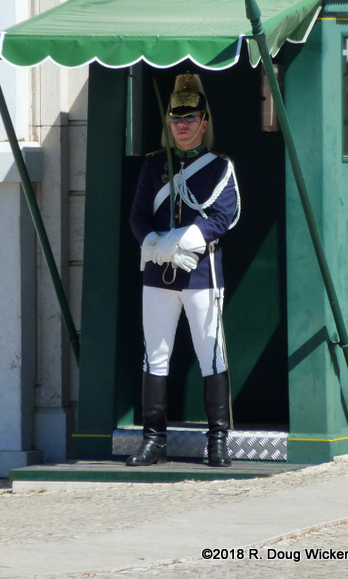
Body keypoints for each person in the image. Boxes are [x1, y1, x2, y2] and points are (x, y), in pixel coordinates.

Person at [127, 73, 240, 468]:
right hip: (159, 274)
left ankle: (217, 441)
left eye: (190, 118)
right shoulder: (154, 164)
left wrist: (183, 240)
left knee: (211, 354)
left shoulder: (219, 166)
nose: (182, 125)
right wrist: (158, 246)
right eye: (176, 118)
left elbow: (225, 215)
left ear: (203, 123)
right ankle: (153, 440)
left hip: (201, 273)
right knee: (155, 357)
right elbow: (138, 217)